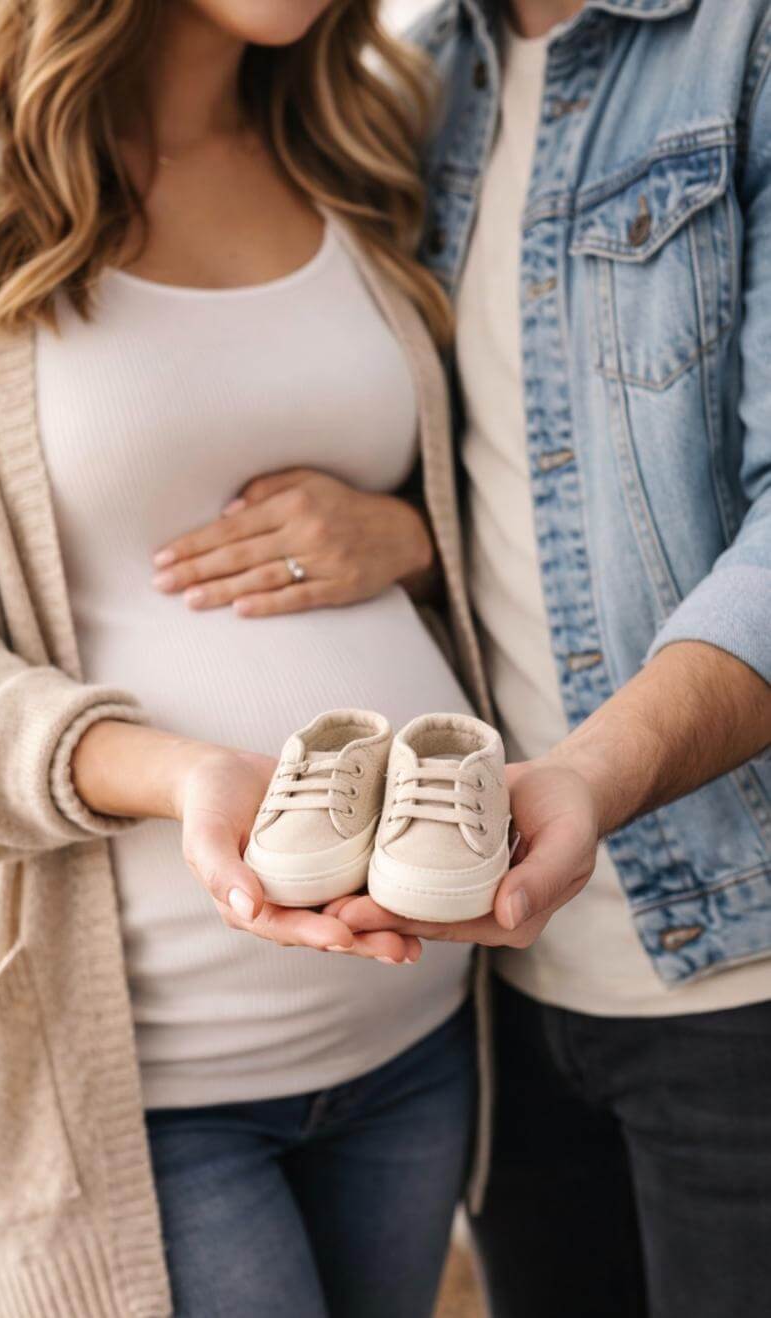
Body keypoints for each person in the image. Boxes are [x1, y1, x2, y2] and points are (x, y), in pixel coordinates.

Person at [0, 3, 491, 1314]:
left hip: (410, 1022)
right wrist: (182, 776)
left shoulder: (367, 135)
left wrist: (407, 536)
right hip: (143, 1076)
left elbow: (495, 501)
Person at [337, 0, 771, 1314]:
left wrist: (589, 777)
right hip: (499, 997)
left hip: (741, 975)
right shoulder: (412, 81)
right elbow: (539, 465)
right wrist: (408, 532)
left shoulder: (742, 44)